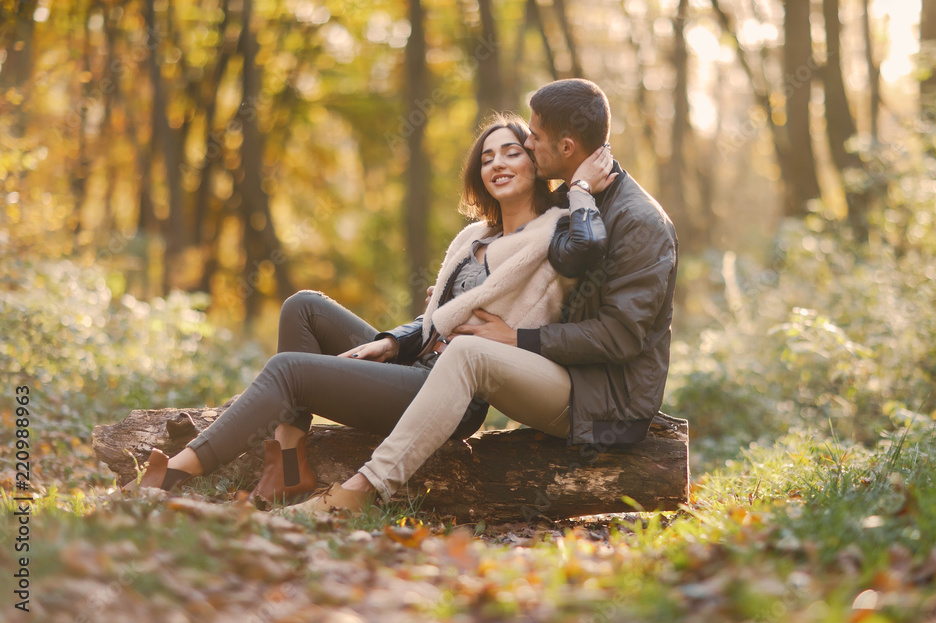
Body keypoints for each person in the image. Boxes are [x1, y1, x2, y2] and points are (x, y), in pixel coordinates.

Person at [126, 112, 612, 505]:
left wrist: (582, 188)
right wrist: (389, 341)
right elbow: (435, 319)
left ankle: (177, 471)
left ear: (534, 164)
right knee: (303, 307)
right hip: (417, 359)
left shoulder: (556, 232)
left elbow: (590, 247)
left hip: (451, 388)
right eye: (487, 157)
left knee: (290, 370)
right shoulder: (473, 238)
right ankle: (289, 463)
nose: (498, 163)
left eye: (512, 152)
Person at [293, 78, 678, 515]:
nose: (527, 144)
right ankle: (286, 465)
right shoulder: (569, 199)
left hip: (607, 400)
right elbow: (537, 274)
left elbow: (620, 337)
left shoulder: (638, 222)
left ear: (567, 147)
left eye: (534, 137)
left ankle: (356, 495)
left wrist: (515, 338)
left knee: (470, 352)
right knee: (456, 346)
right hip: (562, 370)